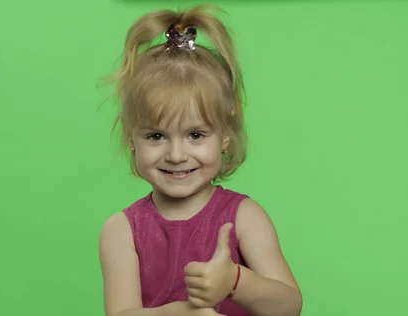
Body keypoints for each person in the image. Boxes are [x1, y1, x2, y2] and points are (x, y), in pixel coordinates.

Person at [98, 4, 302, 316]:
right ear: (132, 141)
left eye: (195, 135)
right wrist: (183, 312)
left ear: (224, 136)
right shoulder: (121, 230)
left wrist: (235, 281)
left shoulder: (245, 217)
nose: (176, 156)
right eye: (156, 136)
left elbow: (289, 307)